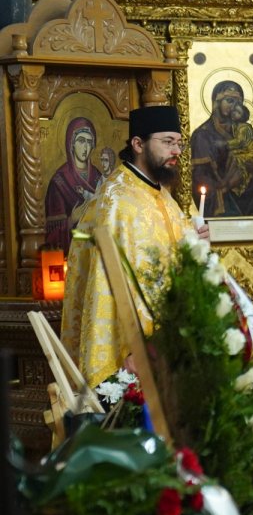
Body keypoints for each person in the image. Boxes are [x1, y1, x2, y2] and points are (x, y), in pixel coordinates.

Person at [62, 105, 208, 388]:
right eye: (168, 142)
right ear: (138, 144)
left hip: (169, 338)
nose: (177, 151)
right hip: (137, 348)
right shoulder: (118, 200)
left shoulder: (160, 194)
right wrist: (139, 345)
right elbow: (114, 282)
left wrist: (197, 242)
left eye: (179, 143)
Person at [191, 80, 253, 217]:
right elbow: (201, 177)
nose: (234, 106)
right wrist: (226, 186)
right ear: (216, 102)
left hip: (250, 203)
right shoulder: (203, 135)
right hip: (222, 206)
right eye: (229, 101)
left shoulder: (244, 129)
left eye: (238, 103)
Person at [44, 116, 104, 250]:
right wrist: (71, 219)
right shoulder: (59, 182)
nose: (85, 147)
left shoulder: (98, 177)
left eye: (89, 142)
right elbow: (51, 234)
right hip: (72, 251)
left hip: (97, 248)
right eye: (81, 141)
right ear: (71, 143)